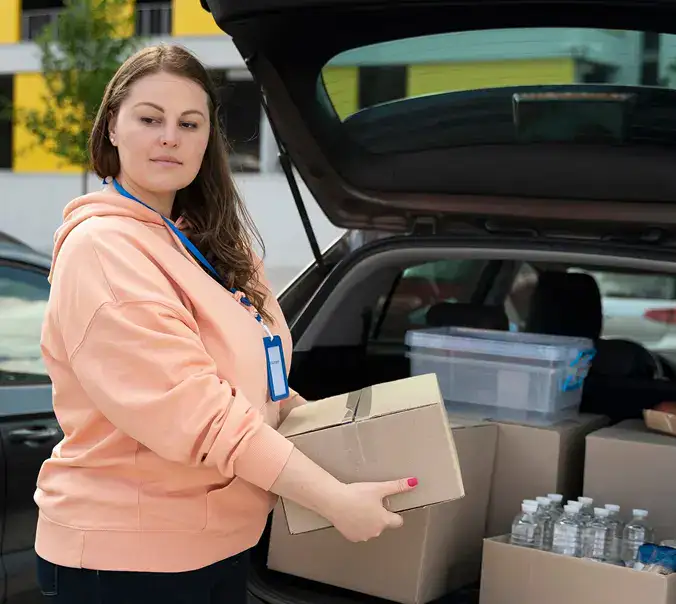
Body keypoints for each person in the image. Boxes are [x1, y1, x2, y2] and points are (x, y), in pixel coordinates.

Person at [35, 43, 418, 604]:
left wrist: (353, 444)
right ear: (112, 128)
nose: (171, 136)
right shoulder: (103, 248)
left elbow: (267, 388)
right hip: (129, 558)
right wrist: (331, 498)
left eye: (190, 123)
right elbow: (201, 413)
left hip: (220, 542)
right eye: (150, 119)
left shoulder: (210, 243)